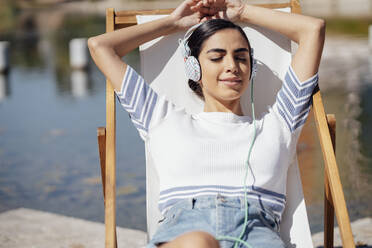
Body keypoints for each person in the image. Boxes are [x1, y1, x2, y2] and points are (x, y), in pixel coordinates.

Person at [87, 0, 325, 247]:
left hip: (256, 235)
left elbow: (313, 30)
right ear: (193, 68)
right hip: (186, 235)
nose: (232, 66)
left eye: (241, 57)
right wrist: (173, 22)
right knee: (198, 243)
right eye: (217, 57)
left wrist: (242, 12)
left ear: (251, 67)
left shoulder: (280, 125)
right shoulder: (161, 119)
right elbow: (100, 46)